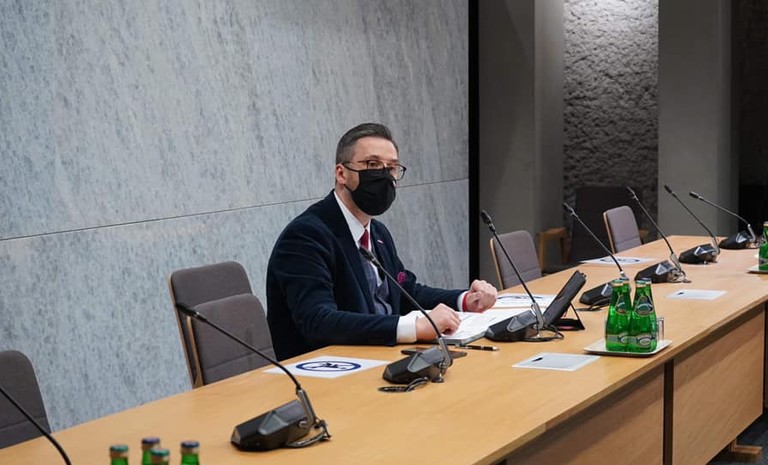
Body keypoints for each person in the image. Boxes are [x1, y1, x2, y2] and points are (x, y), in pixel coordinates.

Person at [266, 123, 497, 360]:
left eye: (392, 168)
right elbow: (318, 321)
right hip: (329, 370)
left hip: (381, 358)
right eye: (372, 164)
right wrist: (413, 328)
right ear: (341, 173)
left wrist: (465, 300)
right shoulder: (306, 236)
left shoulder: (377, 232)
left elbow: (405, 291)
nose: (384, 176)